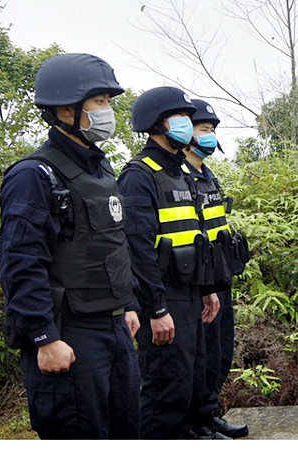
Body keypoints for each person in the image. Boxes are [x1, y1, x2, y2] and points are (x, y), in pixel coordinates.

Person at [0, 52, 141, 439]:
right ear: (65, 110)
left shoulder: (101, 168)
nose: (107, 111)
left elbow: (112, 244)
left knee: (126, 432)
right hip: (69, 333)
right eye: (99, 102)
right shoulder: (34, 175)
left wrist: (128, 304)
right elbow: (21, 263)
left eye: (108, 101)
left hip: (114, 328)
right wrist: (44, 337)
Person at [118, 85, 220, 440]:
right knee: (165, 388)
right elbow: (137, 249)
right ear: (157, 122)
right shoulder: (139, 174)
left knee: (190, 377)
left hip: (190, 292)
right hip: (162, 297)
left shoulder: (179, 172)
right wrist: (156, 308)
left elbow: (193, 237)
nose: (188, 125)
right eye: (181, 117)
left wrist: (206, 289)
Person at [181, 98, 248, 438]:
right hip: (194, 281)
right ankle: (195, 423)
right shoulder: (177, 177)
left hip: (219, 276)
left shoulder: (207, 175)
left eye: (212, 130)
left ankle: (209, 414)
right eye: (203, 129)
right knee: (199, 355)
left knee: (220, 350)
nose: (209, 135)